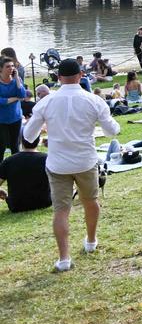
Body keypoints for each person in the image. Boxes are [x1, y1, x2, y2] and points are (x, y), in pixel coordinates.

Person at [22, 59, 120, 272]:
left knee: (61, 211)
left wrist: (47, 127)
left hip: (58, 163)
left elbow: (28, 135)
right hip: (85, 160)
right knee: (90, 201)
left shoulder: (46, 102)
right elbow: (112, 131)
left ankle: (64, 258)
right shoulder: (93, 100)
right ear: (80, 76)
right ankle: (91, 241)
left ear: (58, 78)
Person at [0, 132, 51, 213]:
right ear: (38, 141)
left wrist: (3, 193)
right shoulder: (47, 159)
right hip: (44, 202)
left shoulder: (8, 161)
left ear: (21, 141)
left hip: (16, 205)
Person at [0, 56, 29, 162]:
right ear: (1, 69)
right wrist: (15, 98)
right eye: (8, 66)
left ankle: (15, 168)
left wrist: (17, 78)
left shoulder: (17, 80)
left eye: (12, 66)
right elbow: (1, 101)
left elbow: (22, 95)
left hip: (15, 118)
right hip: (1, 120)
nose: (11, 68)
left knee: (15, 145)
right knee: (1, 146)